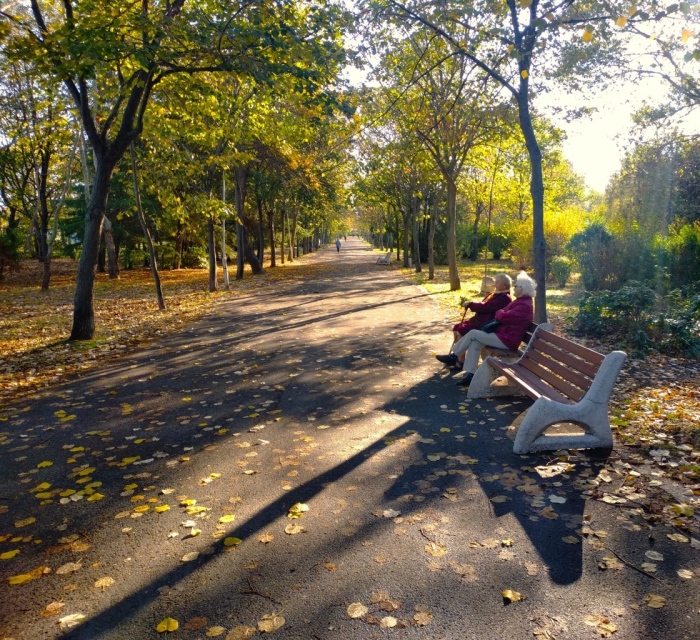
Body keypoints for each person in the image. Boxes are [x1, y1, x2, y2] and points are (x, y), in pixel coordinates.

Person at [449, 272, 536, 388]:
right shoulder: (519, 301)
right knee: (475, 342)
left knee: (473, 333)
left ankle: (454, 356)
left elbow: (502, 315)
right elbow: (501, 313)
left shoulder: (524, 305)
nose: (513, 287)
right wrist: (501, 313)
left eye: (516, 286)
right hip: (503, 335)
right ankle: (470, 375)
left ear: (523, 289)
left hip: (508, 340)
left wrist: (501, 313)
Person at [436, 273, 512, 369]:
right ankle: (458, 359)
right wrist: (472, 304)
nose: (494, 284)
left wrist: (472, 304)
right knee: (457, 328)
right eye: (495, 282)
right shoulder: (495, 294)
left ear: (504, 285)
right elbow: (484, 304)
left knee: (461, 331)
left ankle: (459, 361)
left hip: (487, 324)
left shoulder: (504, 297)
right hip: (481, 320)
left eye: (497, 282)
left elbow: (488, 307)